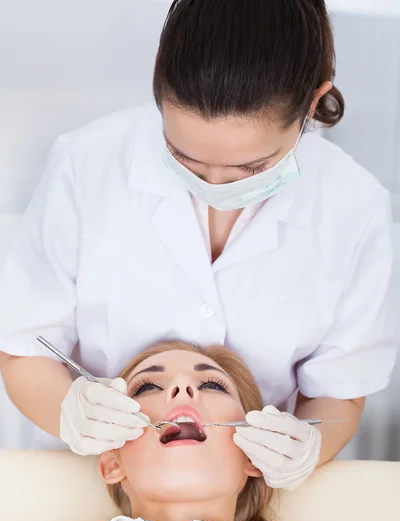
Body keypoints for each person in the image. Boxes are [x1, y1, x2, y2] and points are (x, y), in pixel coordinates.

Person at [0, 1, 396, 489]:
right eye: (182, 158)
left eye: (252, 169)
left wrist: (307, 446)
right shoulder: (88, 165)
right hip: (76, 485)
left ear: (314, 102)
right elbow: (24, 347)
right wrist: (65, 409)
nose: (215, 185)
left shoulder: (354, 208)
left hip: (249, 503)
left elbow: (340, 392)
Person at [0, 342, 366, 521]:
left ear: (256, 457)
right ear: (113, 462)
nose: (182, 387)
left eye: (210, 384)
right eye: (147, 386)